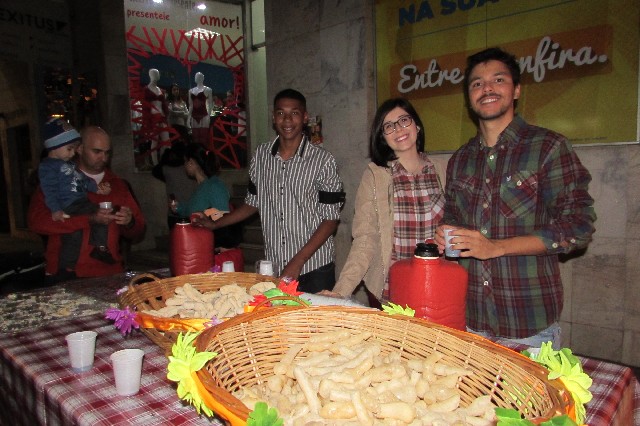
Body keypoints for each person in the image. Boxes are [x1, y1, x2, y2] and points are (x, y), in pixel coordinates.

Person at [433, 47, 596, 348]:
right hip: (471, 319)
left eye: (498, 80)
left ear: (517, 89)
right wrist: (446, 232)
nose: (487, 89)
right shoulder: (461, 159)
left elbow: (578, 227)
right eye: (477, 83)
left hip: (529, 321)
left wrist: (497, 247)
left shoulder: (548, 147)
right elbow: (454, 216)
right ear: (469, 97)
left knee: (532, 398)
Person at [192, 89, 345, 293]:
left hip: (315, 267)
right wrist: (216, 224)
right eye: (281, 113)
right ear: (273, 118)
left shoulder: (323, 161)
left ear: (305, 117)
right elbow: (253, 202)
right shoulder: (261, 156)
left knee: (313, 325)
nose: (287, 120)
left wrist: (297, 262)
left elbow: (331, 219)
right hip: (276, 266)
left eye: (295, 113)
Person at [321, 98, 445, 304]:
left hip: (437, 286)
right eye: (389, 126)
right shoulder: (375, 177)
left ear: (417, 125)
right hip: (394, 290)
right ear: (382, 137)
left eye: (404, 120)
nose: (398, 129)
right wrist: (341, 291)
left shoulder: (442, 170)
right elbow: (365, 239)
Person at [28, 126, 146, 283]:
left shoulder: (117, 185)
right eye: (97, 151)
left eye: (107, 152)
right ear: (80, 149)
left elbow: (138, 230)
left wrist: (129, 221)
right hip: (64, 273)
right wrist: (87, 220)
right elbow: (37, 222)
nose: (103, 158)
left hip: (109, 272)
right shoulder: (57, 179)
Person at [37, 119, 116, 268]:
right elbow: (49, 190)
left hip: (80, 201)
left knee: (97, 216)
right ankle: (67, 265)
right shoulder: (48, 168)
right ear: (54, 147)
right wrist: (55, 210)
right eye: (69, 149)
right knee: (74, 235)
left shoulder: (70, 165)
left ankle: (99, 248)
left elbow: (83, 180)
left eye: (107, 153)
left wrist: (96, 188)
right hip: (68, 205)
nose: (73, 153)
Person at [151, 141, 198, 229]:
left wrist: (165, 157)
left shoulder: (166, 170)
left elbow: (155, 171)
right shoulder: (191, 169)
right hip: (191, 213)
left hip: (175, 214)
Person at [143, 68, 170, 165]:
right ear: (150, 75)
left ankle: (163, 161)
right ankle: (155, 163)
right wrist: (147, 123)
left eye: (157, 74)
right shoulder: (146, 89)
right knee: (154, 143)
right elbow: (145, 107)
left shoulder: (161, 90)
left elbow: (164, 105)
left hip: (162, 117)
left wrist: (167, 114)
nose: (157, 76)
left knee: (166, 142)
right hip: (153, 118)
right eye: (155, 74)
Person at [188, 72, 213, 147]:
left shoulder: (208, 89)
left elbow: (210, 104)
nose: (197, 78)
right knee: (195, 138)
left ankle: (204, 155)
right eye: (196, 76)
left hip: (204, 116)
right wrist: (188, 118)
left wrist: (209, 115)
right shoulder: (190, 91)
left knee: (203, 138)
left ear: (203, 78)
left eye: (199, 76)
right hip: (194, 117)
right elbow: (190, 105)